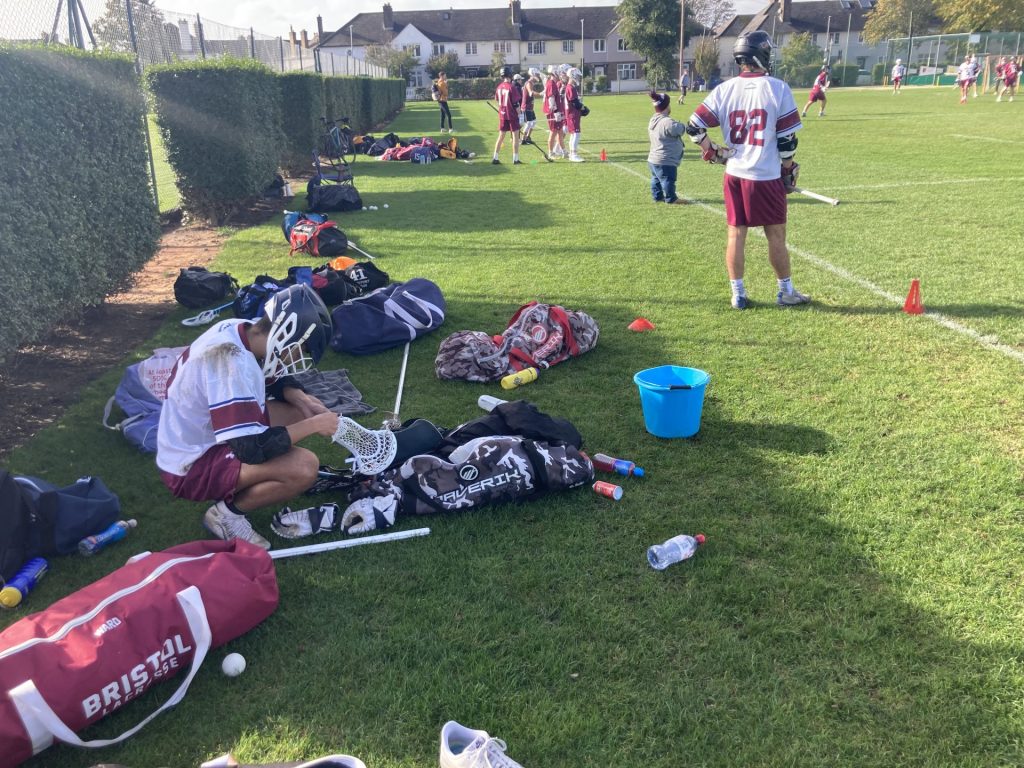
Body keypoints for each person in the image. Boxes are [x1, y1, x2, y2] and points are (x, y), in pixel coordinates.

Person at [157, 284, 339, 548]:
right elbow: (251, 450)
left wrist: (300, 398)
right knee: (304, 467)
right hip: (189, 466)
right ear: (287, 333)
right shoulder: (232, 366)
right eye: (303, 349)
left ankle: (240, 483)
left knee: (294, 412)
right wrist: (313, 425)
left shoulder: (243, 329)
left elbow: (272, 377)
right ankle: (226, 515)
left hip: (200, 436)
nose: (302, 356)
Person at [686, 30, 810, 310]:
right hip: (765, 176)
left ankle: (738, 294)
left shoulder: (724, 89)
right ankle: (786, 291)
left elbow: (694, 127)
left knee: (735, 235)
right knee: (776, 236)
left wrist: (712, 150)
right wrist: (788, 170)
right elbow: (787, 140)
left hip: (735, 174)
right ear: (761, 54)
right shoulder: (777, 88)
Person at [647, 90, 687, 205]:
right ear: (666, 106)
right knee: (668, 179)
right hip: (665, 160)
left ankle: (657, 196)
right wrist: (683, 125)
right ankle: (671, 198)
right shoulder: (667, 122)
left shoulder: (653, 119)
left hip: (653, 158)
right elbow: (679, 129)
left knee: (656, 179)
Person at [492, 65, 521, 165]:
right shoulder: (511, 87)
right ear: (510, 75)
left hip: (503, 115)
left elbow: (497, 100)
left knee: (501, 136)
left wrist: (502, 109)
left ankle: (495, 157)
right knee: (515, 137)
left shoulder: (499, 87)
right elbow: (516, 104)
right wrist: (520, 115)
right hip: (512, 115)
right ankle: (515, 159)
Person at [543, 64, 566, 159]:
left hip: (557, 111)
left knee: (560, 131)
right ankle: (550, 152)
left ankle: (564, 151)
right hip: (553, 112)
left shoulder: (553, 83)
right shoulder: (551, 83)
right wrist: (556, 112)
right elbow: (551, 99)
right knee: (553, 132)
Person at [563, 66, 585, 162]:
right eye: (577, 76)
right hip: (572, 114)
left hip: (572, 114)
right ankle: (573, 154)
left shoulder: (570, 87)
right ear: (573, 75)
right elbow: (574, 102)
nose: (579, 78)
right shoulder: (570, 88)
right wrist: (582, 107)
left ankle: (572, 153)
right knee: (576, 134)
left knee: (573, 134)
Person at [520, 68, 542, 145]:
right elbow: (530, 92)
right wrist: (540, 94)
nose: (538, 76)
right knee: (529, 123)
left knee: (533, 122)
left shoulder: (531, 83)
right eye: (537, 74)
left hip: (530, 107)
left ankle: (528, 137)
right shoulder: (529, 83)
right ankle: (523, 139)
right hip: (526, 107)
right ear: (532, 74)